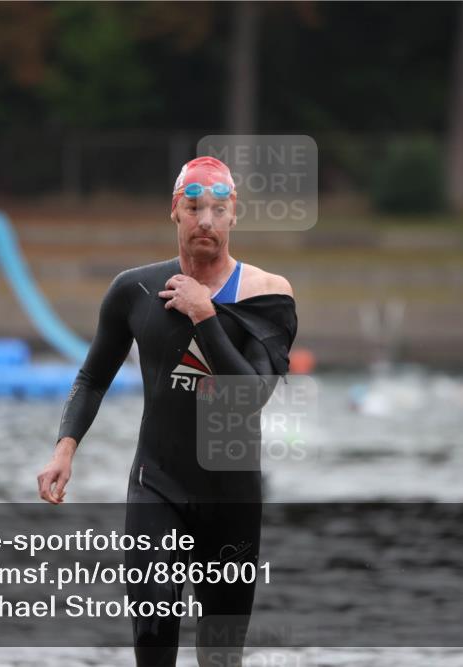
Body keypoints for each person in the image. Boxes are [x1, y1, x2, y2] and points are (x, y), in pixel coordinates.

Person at [36, 156, 297, 666]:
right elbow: (92, 378)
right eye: (194, 207)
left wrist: (204, 315)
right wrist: (64, 450)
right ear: (174, 212)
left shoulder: (269, 295)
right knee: (153, 639)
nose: (206, 221)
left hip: (232, 498)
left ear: (234, 215)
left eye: (219, 210)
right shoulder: (133, 291)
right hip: (157, 485)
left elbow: (251, 396)